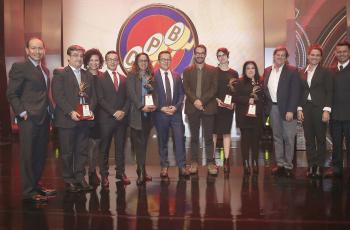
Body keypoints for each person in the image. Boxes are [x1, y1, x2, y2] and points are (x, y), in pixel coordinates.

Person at [7, 37, 56, 203]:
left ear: (44, 50)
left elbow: (43, 94)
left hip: (43, 118)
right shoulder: (20, 67)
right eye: (33, 48)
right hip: (29, 119)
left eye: (40, 48)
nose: (37, 51)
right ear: (27, 50)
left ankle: (37, 185)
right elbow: (12, 93)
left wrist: (52, 111)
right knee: (28, 155)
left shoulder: (45, 70)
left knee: (40, 155)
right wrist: (22, 113)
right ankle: (28, 191)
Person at [52, 45, 96, 192]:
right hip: (67, 120)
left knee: (81, 151)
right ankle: (68, 179)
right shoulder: (60, 74)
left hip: (84, 119)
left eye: (81, 56)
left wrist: (90, 110)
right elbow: (58, 96)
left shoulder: (87, 75)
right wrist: (71, 112)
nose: (79, 58)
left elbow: (93, 96)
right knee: (67, 152)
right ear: (69, 57)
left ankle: (79, 177)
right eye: (75, 55)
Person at [263, 46, 301, 177]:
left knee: (289, 138)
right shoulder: (267, 71)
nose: (280, 57)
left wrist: (291, 110)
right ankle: (279, 164)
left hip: (287, 110)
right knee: (277, 137)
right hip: (272, 109)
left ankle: (288, 165)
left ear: (286, 58)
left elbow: (295, 92)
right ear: (274, 56)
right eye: (278, 55)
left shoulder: (292, 71)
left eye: (283, 55)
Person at [95, 50, 130, 187]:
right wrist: (114, 112)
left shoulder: (124, 78)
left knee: (120, 147)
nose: (113, 61)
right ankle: (104, 175)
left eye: (115, 59)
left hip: (121, 119)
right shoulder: (99, 78)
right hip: (106, 119)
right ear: (106, 61)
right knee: (104, 148)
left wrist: (123, 111)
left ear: (118, 61)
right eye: (110, 59)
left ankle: (120, 172)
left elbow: (128, 99)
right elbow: (100, 99)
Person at [183, 44, 219, 176]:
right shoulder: (187, 71)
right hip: (192, 108)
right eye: (197, 53)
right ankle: (194, 162)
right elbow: (186, 88)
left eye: (202, 53)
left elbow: (214, 89)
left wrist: (202, 101)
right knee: (194, 138)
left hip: (208, 107)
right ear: (194, 54)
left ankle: (210, 162)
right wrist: (195, 101)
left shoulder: (213, 70)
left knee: (209, 137)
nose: (199, 55)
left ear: (205, 54)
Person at [297, 45, 332, 178]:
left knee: (321, 139)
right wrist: (299, 108)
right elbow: (300, 92)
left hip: (320, 108)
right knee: (309, 138)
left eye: (317, 55)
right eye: (312, 55)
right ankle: (311, 165)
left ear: (321, 58)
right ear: (308, 56)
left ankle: (319, 166)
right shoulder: (302, 72)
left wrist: (326, 110)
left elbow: (329, 92)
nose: (315, 57)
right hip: (306, 108)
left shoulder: (326, 72)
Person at [153, 50, 189, 179]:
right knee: (162, 141)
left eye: (168, 59)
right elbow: (152, 96)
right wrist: (161, 108)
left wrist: (177, 107)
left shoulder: (176, 76)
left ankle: (182, 166)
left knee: (179, 139)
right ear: (158, 61)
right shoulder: (153, 77)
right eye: (163, 59)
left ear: (171, 60)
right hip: (160, 114)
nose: (166, 61)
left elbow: (181, 94)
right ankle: (164, 166)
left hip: (175, 114)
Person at [126, 52, 157, 185]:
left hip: (148, 116)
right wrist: (140, 106)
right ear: (136, 62)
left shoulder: (150, 76)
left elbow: (154, 93)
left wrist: (153, 97)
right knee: (138, 145)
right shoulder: (132, 75)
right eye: (141, 61)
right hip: (137, 115)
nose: (143, 63)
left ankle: (142, 169)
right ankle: (141, 172)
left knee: (143, 145)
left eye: (145, 60)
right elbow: (131, 94)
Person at [233, 61, 264, 175]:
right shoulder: (240, 82)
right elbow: (235, 97)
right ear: (245, 70)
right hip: (244, 116)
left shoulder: (261, 81)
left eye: (252, 68)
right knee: (245, 141)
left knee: (255, 141)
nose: (250, 70)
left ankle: (255, 162)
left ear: (255, 70)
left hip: (257, 117)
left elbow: (263, 97)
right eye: (248, 68)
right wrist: (247, 100)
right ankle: (246, 163)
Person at [325, 41, 350, 178]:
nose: (341, 54)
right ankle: (336, 169)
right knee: (336, 144)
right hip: (334, 116)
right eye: (339, 52)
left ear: (349, 52)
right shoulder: (331, 71)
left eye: (344, 51)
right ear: (335, 54)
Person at [212, 47, 239, 175]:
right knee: (214, 133)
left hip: (228, 108)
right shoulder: (213, 71)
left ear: (228, 56)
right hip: (216, 106)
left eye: (223, 55)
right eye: (219, 55)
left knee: (226, 133)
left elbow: (236, 91)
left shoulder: (234, 73)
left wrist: (233, 103)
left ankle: (226, 161)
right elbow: (211, 89)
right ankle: (212, 161)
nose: (221, 57)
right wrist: (216, 99)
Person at [83, 48, 104, 186]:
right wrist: (87, 111)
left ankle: (95, 170)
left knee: (98, 145)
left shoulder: (103, 76)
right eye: (91, 60)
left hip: (103, 115)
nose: (94, 63)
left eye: (96, 60)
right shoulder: (83, 76)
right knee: (91, 145)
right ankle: (91, 172)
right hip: (89, 115)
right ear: (87, 62)